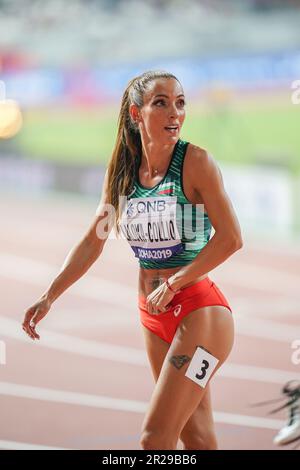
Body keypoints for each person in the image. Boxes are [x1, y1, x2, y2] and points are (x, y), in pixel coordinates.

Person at [22, 70, 243, 450]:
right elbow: (93, 242)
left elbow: (231, 239)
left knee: (154, 439)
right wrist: (49, 295)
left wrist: (175, 283)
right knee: (198, 436)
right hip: (152, 317)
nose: (175, 112)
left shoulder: (195, 163)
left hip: (199, 314)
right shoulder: (124, 174)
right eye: (161, 103)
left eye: (180, 102)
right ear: (136, 113)